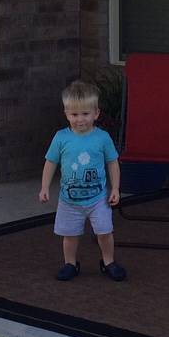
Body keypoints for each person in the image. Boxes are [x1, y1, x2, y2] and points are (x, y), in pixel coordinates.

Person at [38, 79, 126, 282]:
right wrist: (45, 187)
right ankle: (70, 263)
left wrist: (116, 188)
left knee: (105, 231)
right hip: (69, 201)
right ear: (66, 114)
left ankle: (108, 261)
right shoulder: (61, 138)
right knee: (70, 235)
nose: (80, 119)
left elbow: (112, 162)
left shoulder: (102, 138)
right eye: (74, 114)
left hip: (98, 199)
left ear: (96, 113)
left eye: (85, 114)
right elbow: (50, 162)